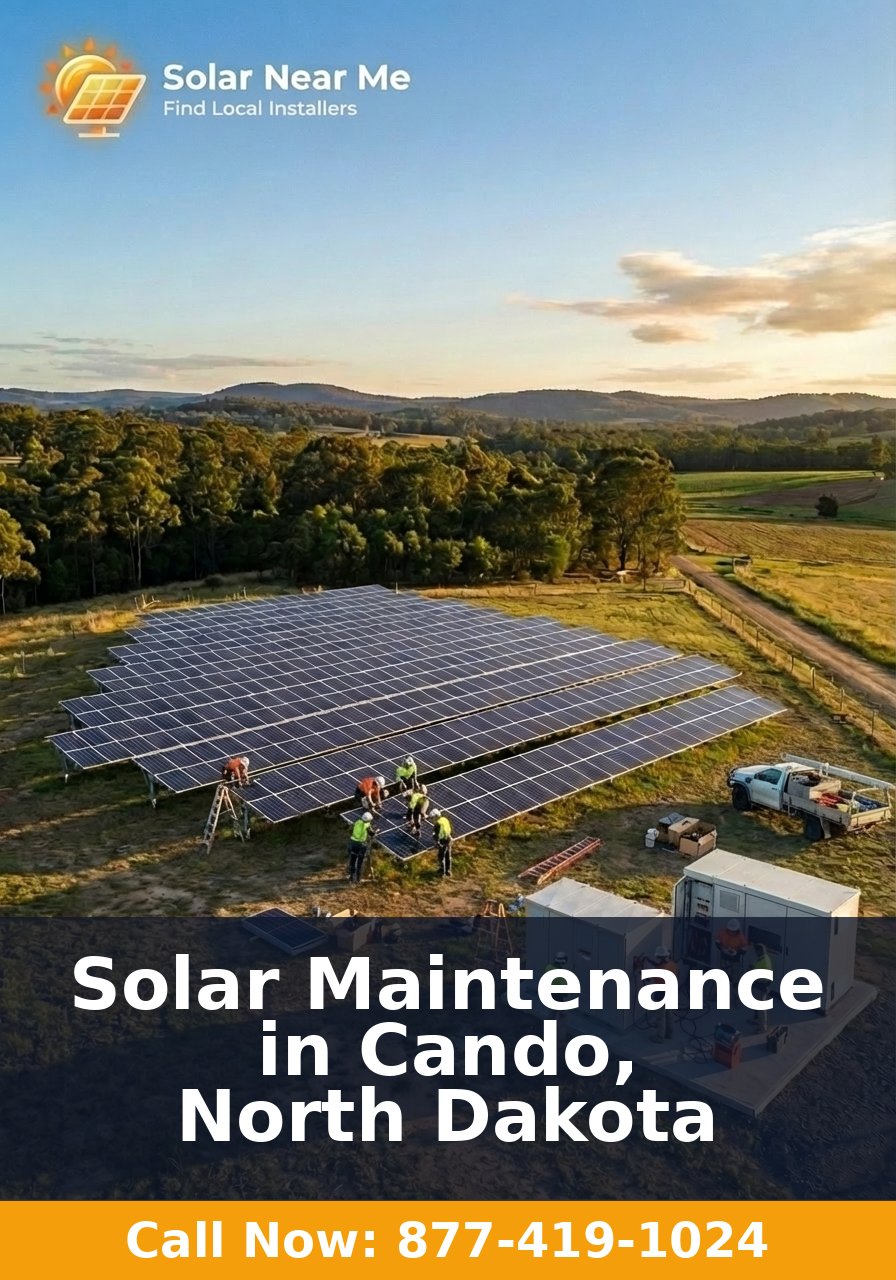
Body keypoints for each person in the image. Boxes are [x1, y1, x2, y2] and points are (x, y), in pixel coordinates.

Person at [648, 945, 679, 1043]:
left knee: (660, 1017)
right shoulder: (672, 964)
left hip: (661, 994)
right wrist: (651, 962)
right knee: (669, 1014)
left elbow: (649, 978)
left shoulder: (659, 971)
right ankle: (669, 1033)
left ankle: (660, 1037)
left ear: (660, 958)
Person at [750, 943, 774, 1033]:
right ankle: (757, 1020)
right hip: (761, 985)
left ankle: (762, 1028)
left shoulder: (763, 961)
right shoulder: (765, 958)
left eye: (756, 951)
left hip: (761, 986)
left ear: (759, 951)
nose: (755, 953)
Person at [347, 812, 374, 884]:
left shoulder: (357, 822)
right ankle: (358, 879)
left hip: (352, 843)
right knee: (360, 862)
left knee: (352, 860)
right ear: (368, 820)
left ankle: (351, 877)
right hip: (360, 845)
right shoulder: (367, 825)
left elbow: (351, 830)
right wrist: (375, 832)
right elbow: (372, 833)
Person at [430, 809, 453, 878]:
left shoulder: (437, 824)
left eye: (432, 818)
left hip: (443, 841)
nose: (432, 820)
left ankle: (442, 873)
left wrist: (437, 843)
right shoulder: (444, 819)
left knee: (441, 856)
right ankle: (448, 871)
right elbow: (449, 828)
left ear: (436, 816)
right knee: (448, 855)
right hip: (449, 839)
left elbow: (437, 835)